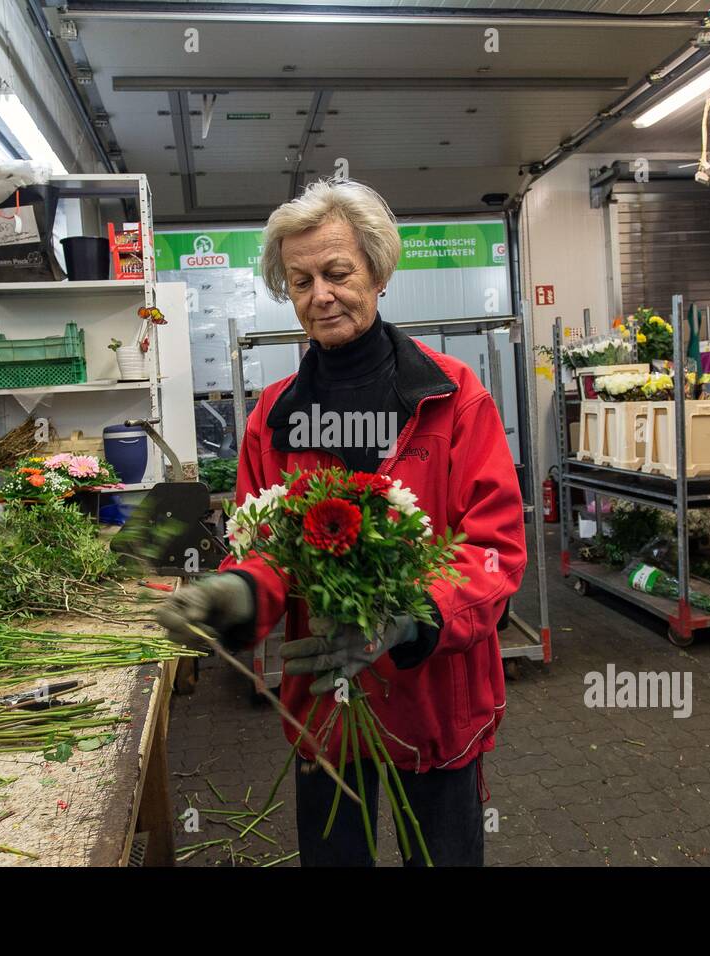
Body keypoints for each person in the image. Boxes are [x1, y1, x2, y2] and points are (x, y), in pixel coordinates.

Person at [158, 179, 526, 866]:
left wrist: (412, 618)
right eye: (300, 282)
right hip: (326, 697)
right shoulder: (273, 416)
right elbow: (264, 545)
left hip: (434, 698)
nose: (319, 295)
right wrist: (237, 591)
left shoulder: (454, 399)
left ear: (379, 273)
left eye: (337, 273)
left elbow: (495, 548)